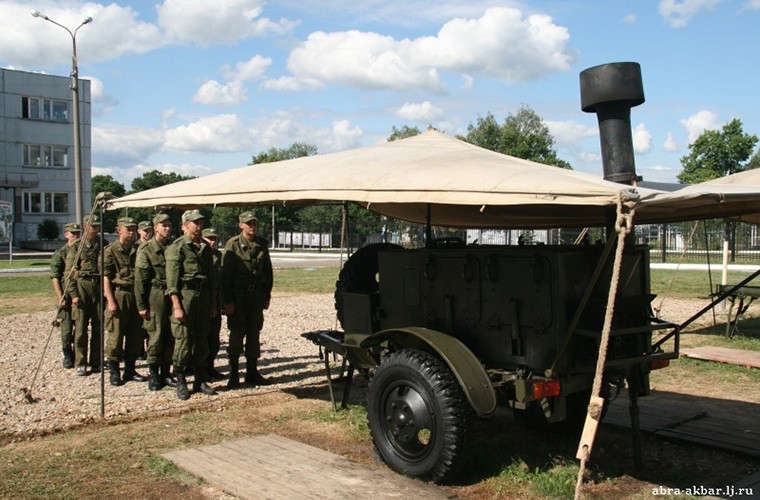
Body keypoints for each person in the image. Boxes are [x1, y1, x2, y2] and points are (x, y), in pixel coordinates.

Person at [165, 209, 217, 400]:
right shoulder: (177, 248)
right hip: (185, 296)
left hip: (203, 296)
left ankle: (200, 379)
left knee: (202, 340)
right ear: (185, 225)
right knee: (184, 341)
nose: (199, 226)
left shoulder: (204, 247)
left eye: (201, 222)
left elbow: (211, 278)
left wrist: (212, 303)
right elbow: (172, 283)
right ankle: (180, 380)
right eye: (195, 223)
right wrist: (177, 306)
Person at [221, 211, 273, 388]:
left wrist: (267, 294)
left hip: (256, 296)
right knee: (236, 333)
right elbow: (225, 276)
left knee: (254, 332)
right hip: (238, 296)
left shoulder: (261, 243)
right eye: (248, 223)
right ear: (240, 225)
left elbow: (268, 271)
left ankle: (252, 372)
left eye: (254, 223)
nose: (252, 226)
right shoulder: (233, 245)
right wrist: (227, 301)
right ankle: (234, 374)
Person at [102, 217, 147, 386]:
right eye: (127, 228)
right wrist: (111, 301)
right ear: (118, 230)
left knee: (135, 335)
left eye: (133, 228)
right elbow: (106, 277)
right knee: (116, 335)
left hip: (135, 295)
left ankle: (130, 369)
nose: (131, 231)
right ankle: (114, 371)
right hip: (119, 295)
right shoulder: (110, 251)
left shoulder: (139, 249)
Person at [135, 213, 176, 391]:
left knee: (171, 334)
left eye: (169, 225)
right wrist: (142, 305)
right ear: (155, 227)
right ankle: (154, 374)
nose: (167, 228)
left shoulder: (174, 247)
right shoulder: (146, 249)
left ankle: (166, 373)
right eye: (163, 225)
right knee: (156, 335)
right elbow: (140, 280)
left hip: (171, 294)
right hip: (156, 294)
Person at [66, 214, 103, 376]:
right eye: (93, 226)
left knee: (99, 327)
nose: (96, 229)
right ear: (86, 227)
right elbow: (70, 272)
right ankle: (81, 362)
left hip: (98, 286)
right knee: (81, 328)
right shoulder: (77, 246)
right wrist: (73, 294)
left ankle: (96, 361)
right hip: (82, 286)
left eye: (98, 226)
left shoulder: (103, 244)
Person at [50, 222, 81, 369]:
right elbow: (55, 276)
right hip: (66, 293)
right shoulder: (61, 253)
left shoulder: (81, 251)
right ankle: (68, 353)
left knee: (80, 326)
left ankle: (80, 354)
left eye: (78, 233)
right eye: (73, 233)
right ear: (66, 234)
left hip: (79, 292)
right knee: (67, 327)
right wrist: (60, 296)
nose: (75, 236)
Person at [202, 227, 224, 381]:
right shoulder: (199, 254)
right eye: (209, 238)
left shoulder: (218, 255)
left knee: (214, 337)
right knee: (201, 336)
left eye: (214, 238)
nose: (212, 241)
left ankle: (210, 366)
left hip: (216, 299)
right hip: (202, 299)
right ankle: (198, 368)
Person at [136, 220, 153, 360]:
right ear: (139, 231)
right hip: (137, 287)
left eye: (149, 230)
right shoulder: (137, 247)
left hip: (151, 289)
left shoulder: (152, 246)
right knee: (139, 324)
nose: (148, 233)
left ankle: (149, 349)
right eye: (145, 230)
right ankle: (139, 349)